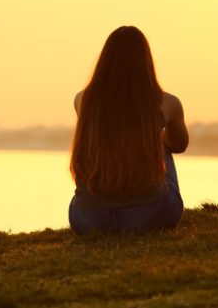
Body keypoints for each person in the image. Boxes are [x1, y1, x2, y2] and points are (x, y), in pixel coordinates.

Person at [68, 26, 189, 233]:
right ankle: (143, 199)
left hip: (90, 220)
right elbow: (178, 144)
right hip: (150, 216)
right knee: (160, 141)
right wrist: (154, 135)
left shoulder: (83, 100)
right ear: (146, 62)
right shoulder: (166, 103)